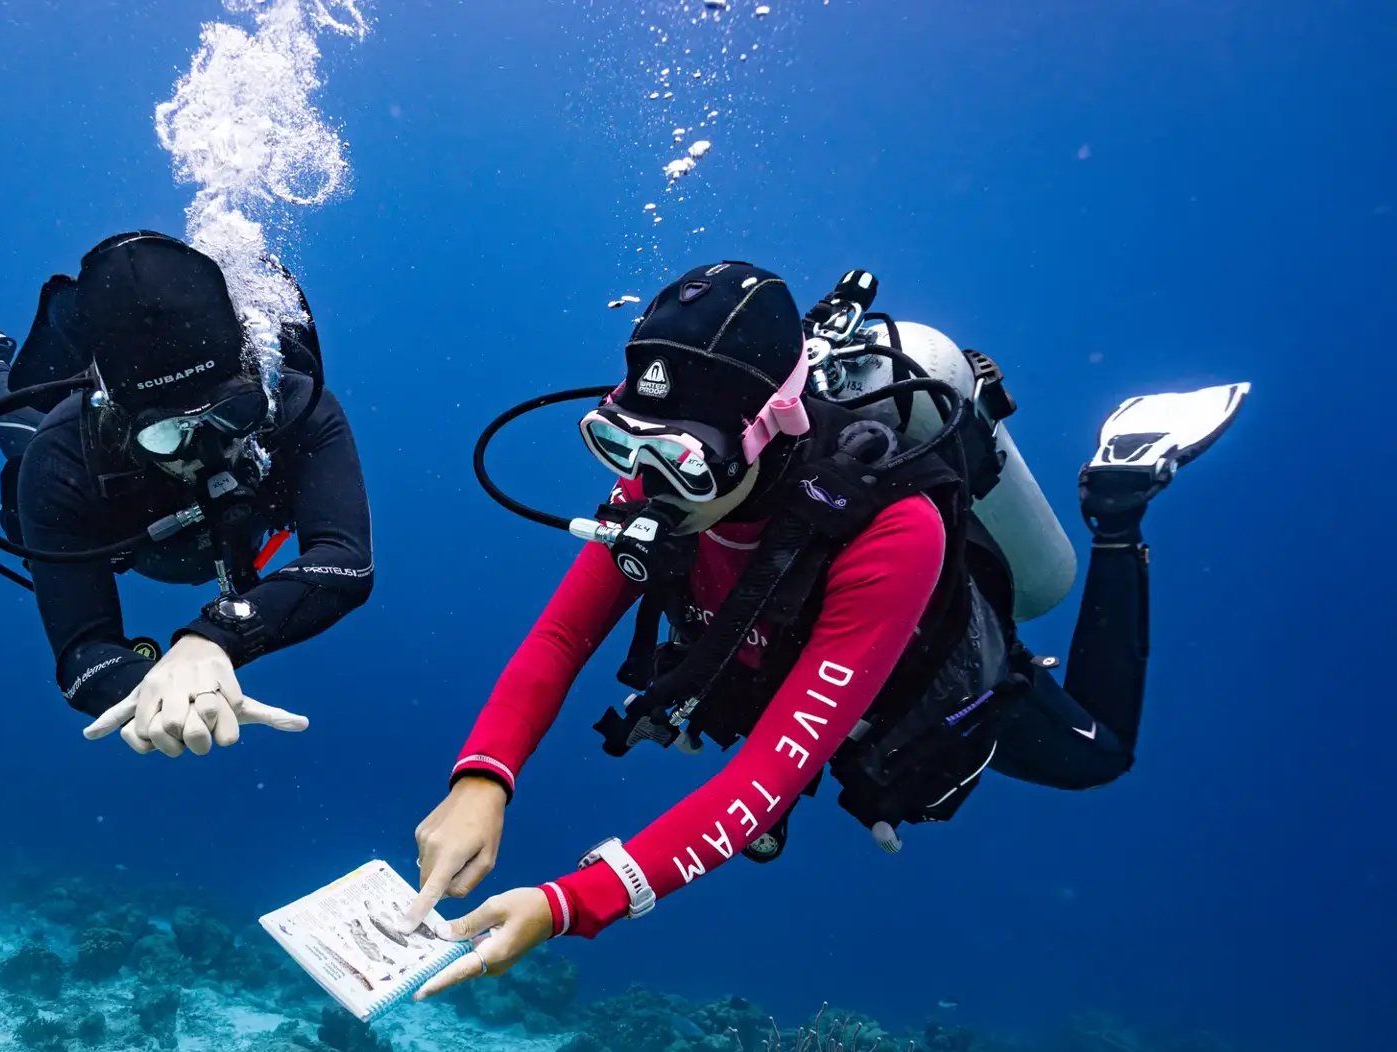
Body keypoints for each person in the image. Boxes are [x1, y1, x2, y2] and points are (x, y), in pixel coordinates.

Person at [406, 261, 1244, 998]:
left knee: (1097, 755)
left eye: (682, 460)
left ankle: (1118, 503)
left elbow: (769, 775)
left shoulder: (891, 526)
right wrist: (480, 781)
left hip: (908, 680)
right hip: (783, 664)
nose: (647, 486)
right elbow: (559, 640)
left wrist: (566, 906)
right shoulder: (659, 493)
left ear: (773, 429)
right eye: (622, 445)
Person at [0, 232, 374, 755]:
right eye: (166, 432)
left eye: (231, 412)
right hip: (114, 510)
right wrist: (152, 687)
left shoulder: (293, 402)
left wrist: (212, 640)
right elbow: (82, 650)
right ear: (119, 416)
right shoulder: (63, 455)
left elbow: (345, 560)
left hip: (205, 535)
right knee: (21, 439)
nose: (206, 447)